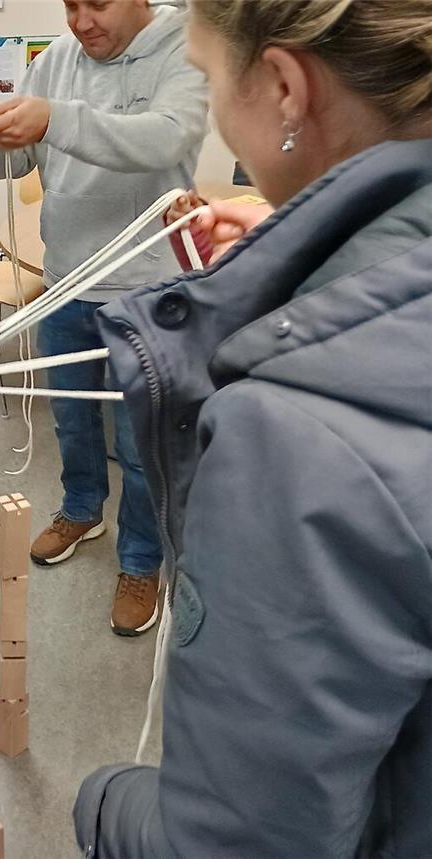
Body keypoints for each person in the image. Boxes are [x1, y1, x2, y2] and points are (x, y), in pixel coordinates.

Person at [74, 0, 432, 854]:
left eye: (207, 77)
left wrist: (101, 803)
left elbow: (234, 844)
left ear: (283, 88)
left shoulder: (295, 434)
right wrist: (315, 247)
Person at [0, 0, 209, 636]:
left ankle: (141, 560)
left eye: (98, 3)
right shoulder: (56, 60)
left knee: (140, 445)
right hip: (65, 281)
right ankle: (82, 510)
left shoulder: (184, 47)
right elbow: (11, 164)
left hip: (148, 291)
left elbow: (165, 137)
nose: (81, 21)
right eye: (70, 5)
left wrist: (54, 117)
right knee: (74, 423)